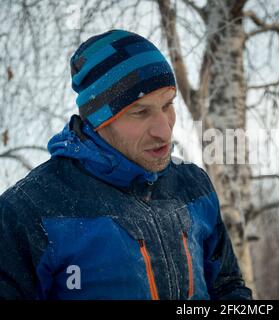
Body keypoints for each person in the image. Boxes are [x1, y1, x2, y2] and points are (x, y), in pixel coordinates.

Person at [0, 29, 252, 300]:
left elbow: (228, 288)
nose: (164, 131)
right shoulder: (28, 209)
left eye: (167, 105)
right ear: (99, 121)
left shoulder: (193, 186)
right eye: (140, 112)